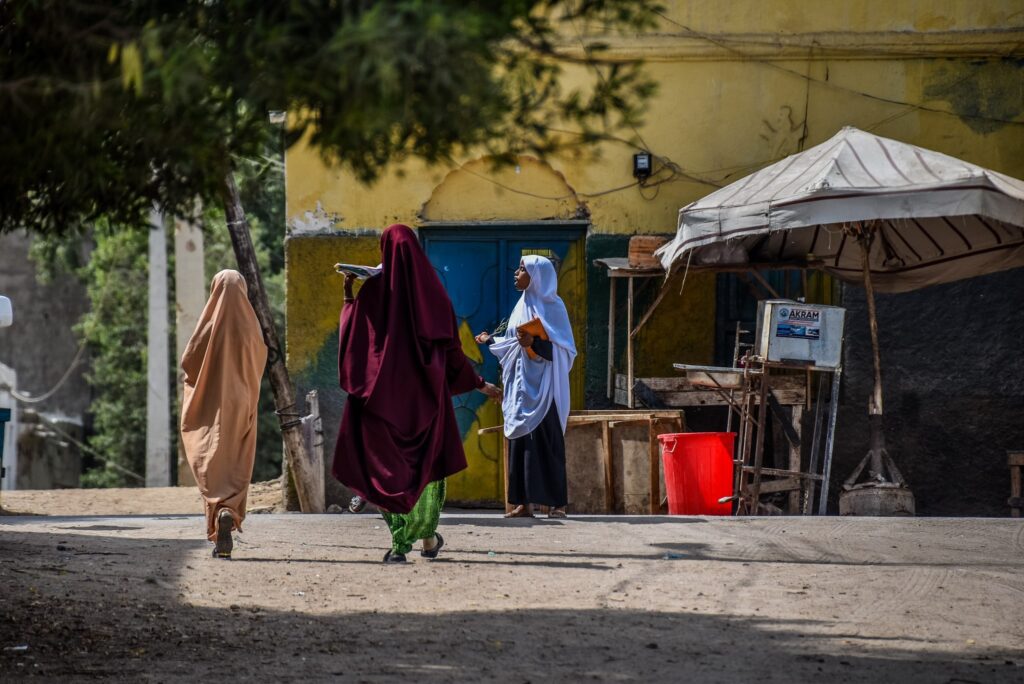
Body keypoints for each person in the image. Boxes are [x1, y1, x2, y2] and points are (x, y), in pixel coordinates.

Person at [333, 224, 501, 563]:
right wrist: (479, 382)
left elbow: (352, 342)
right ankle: (426, 539)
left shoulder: (373, 294)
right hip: (426, 407)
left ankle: (401, 544)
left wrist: (349, 297)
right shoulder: (434, 296)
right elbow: (452, 352)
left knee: (386, 472)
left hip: (381, 406)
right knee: (425, 472)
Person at [476, 255, 576, 519]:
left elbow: (565, 352)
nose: (516, 273)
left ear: (538, 276)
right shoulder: (521, 307)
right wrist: (490, 341)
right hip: (521, 387)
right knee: (520, 442)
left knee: (548, 443)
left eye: (523, 269)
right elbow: (512, 344)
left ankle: (557, 505)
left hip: (546, 388)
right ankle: (522, 504)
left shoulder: (554, 307)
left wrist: (534, 342)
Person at [180, 270, 268, 559]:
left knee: (209, 456)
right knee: (237, 458)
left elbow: (189, 362)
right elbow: (259, 360)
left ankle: (218, 519)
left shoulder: (208, 326)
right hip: (241, 405)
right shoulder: (251, 328)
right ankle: (230, 510)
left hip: (210, 408)